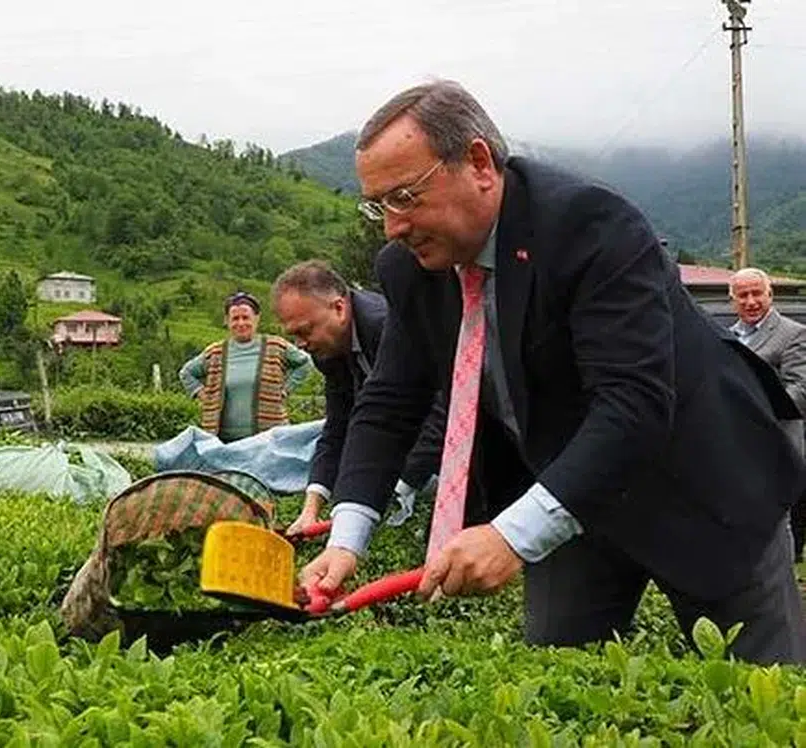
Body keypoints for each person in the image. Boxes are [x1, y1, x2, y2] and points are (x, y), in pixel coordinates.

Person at [299, 79, 806, 664]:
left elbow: (633, 402)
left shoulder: (590, 225)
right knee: (556, 679)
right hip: (568, 488)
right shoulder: (411, 270)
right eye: (378, 204)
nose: (392, 226)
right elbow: (389, 403)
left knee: (759, 688)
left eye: (405, 197)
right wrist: (346, 539)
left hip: (700, 477)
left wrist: (511, 535)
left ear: (479, 163)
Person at [271, 260, 447, 535]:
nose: (301, 344)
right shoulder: (328, 350)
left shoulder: (386, 325)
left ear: (339, 308)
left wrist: (403, 482)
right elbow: (339, 425)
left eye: (305, 331)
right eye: (294, 336)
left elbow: (443, 405)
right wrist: (311, 508)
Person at [729, 266, 806, 560]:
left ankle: (784, 592)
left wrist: (753, 413)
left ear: (770, 295)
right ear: (732, 301)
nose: (750, 301)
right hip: (737, 450)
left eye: (756, 293)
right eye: (742, 295)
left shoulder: (793, 334)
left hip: (776, 448)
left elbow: (800, 391)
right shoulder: (728, 337)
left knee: (777, 525)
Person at [179, 291, 313, 442]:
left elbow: (305, 363)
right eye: (235, 318)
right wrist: (203, 394)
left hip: (269, 439)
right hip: (223, 441)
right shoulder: (215, 352)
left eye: (245, 317)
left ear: (256, 318)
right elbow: (186, 373)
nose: (241, 323)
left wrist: (286, 389)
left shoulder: (275, 346)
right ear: (227, 321)